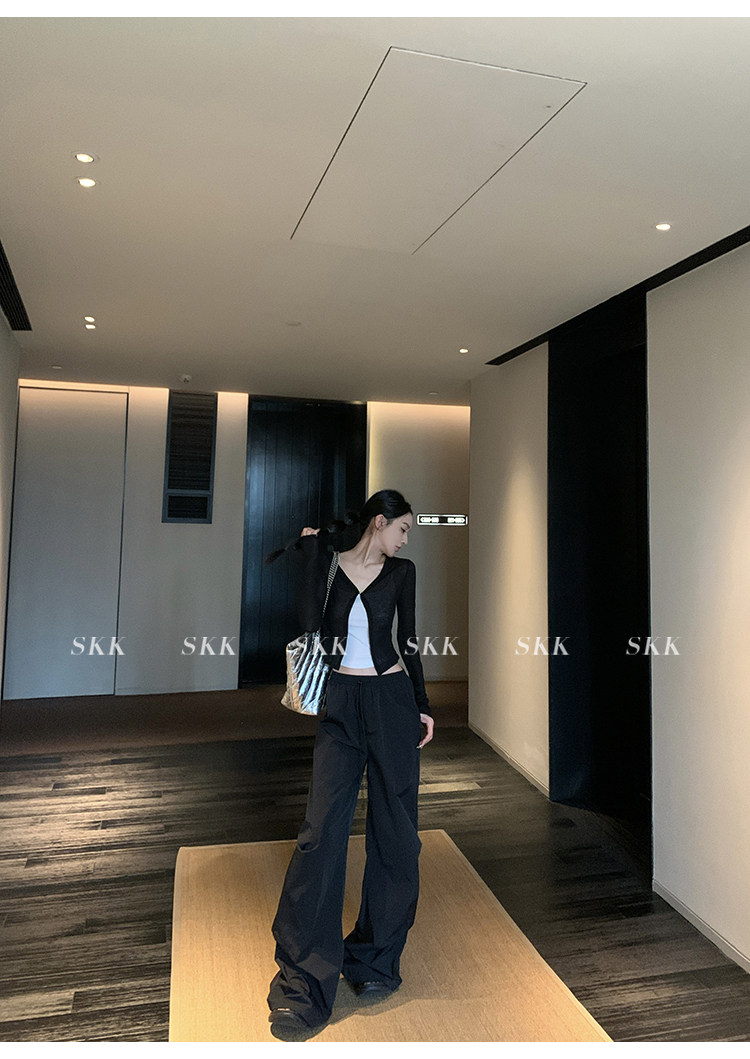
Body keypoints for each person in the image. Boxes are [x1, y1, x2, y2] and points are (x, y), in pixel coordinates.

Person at [266, 489, 434, 1041]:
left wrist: (423, 706)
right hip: (339, 704)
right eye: (403, 529)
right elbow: (306, 624)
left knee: (397, 832)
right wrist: (313, 556)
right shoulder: (332, 566)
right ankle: (303, 980)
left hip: (391, 704)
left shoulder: (403, 573)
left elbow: (407, 640)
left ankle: (375, 958)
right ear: (379, 522)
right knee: (320, 834)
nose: (406, 540)